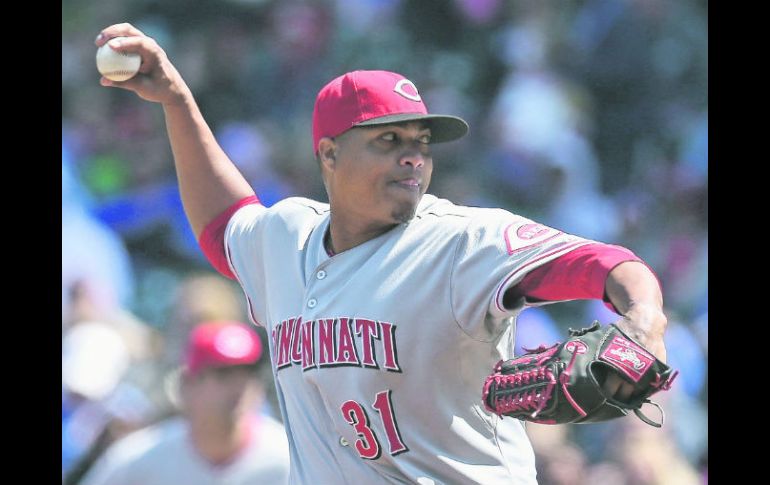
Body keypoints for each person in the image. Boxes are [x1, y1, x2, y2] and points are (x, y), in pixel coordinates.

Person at [95, 23, 670, 484]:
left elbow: (606, 264)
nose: (413, 158)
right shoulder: (285, 237)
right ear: (329, 155)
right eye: (388, 141)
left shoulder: (461, 242)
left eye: (421, 144)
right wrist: (175, 101)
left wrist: (645, 320)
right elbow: (224, 224)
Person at [79, 321, 290, 485]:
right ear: (187, 385)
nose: (239, 386)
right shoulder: (140, 457)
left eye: (248, 373)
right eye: (223, 374)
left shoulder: (288, 457)